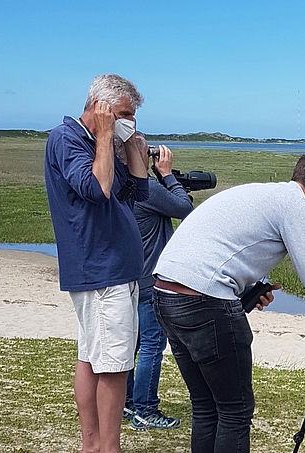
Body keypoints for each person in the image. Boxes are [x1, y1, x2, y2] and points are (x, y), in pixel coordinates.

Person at [152, 151, 305, 453]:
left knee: (206, 407)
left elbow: (226, 251)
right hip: (204, 300)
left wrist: (246, 290)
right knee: (235, 411)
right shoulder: (296, 205)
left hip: (166, 293)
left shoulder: (265, 193)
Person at [44, 74, 148, 453]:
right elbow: (96, 188)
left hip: (114, 270)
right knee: (114, 366)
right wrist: (105, 137)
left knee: (92, 358)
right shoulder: (67, 138)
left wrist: (133, 151)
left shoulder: (100, 144)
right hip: (101, 271)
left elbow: (132, 196)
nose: (127, 123)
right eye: (122, 114)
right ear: (98, 107)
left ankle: (94, 446)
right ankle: (107, 447)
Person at [123, 135, 193, 430]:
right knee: (152, 344)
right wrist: (166, 175)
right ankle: (145, 409)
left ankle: (125, 403)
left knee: (131, 345)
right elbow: (186, 210)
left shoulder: (119, 186)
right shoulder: (147, 189)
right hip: (152, 280)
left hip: (128, 278)